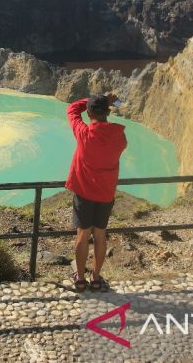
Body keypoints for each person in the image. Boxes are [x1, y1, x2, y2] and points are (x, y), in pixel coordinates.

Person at [65, 93, 127, 291]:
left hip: (84, 192)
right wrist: (105, 103)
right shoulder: (119, 136)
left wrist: (92, 101)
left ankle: (81, 279)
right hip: (106, 193)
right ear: (108, 112)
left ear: (90, 112)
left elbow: (72, 109)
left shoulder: (84, 134)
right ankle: (96, 278)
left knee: (82, 235)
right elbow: (120, 143)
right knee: (100, 235)